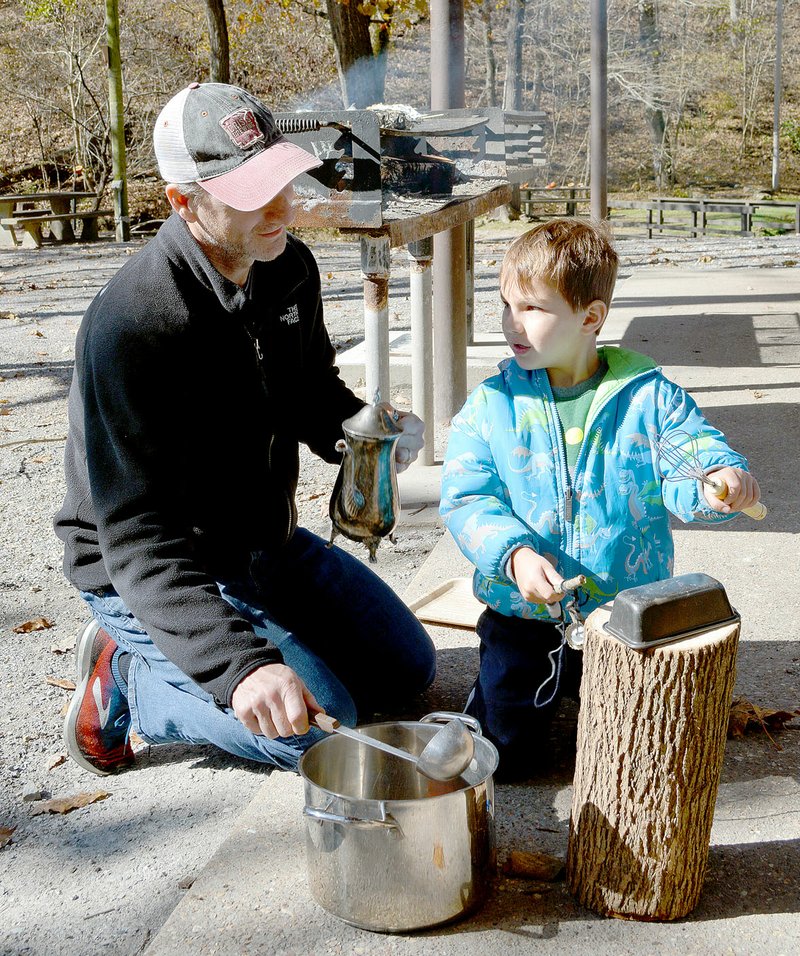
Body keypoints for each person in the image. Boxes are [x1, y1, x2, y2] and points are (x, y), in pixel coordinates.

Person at [55, 82, 436, 776]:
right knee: (318, 736)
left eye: (283, 180)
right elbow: (137, 539)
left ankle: (225, 652)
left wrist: (356, 429)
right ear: (184, 201)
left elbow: (310, 388)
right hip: (159, 568)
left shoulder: (286, 265)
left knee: (409, 669)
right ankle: (130, 683)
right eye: (253, 191)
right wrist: (240, 668)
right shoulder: (133, 327)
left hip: (267, 544)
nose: (284, 207)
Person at [439, 218, 761, 781]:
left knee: (633, 759)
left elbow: (692, 457)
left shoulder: (649, 397)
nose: (512, 322)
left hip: (625, 616)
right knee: (506, 759)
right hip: (524, 613)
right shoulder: (492, 404)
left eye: (533, 309)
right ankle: (489, 709)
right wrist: (512, 555)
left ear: (590, 317)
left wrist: (721, 480)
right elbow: (468, 498)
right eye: (506, 304)